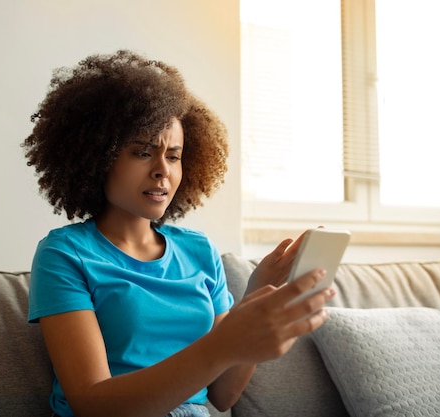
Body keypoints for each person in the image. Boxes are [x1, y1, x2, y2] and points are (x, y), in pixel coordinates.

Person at [21, 50, 335, 417]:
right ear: (97, 158)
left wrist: (253, 295)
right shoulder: (65, 254)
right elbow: (92, 403)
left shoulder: (200, 251)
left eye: (173, 156)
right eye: (142, 152)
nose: (162, 172)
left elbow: (223, 396)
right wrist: (221, 344)